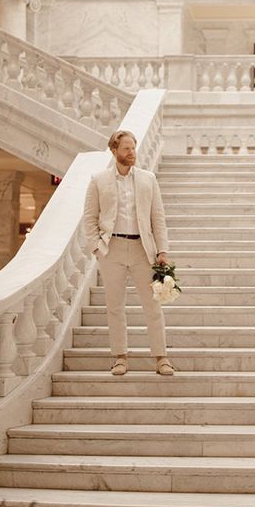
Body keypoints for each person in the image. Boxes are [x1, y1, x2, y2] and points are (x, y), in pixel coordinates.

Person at [83, 130, 175, 377]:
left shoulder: (148, 179)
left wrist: (162, 249)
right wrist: (97, 247)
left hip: (142, 249)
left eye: (133, 148)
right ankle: (120, 358)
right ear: (114, 151)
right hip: (111, 249)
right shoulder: (98, 180)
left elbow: (158, 218)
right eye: (126, 148)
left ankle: (161, 358)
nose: (131, 152)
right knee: (114, 306)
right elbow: (90, 218)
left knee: (153, 306)